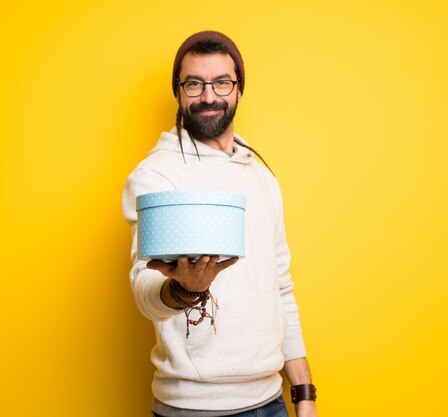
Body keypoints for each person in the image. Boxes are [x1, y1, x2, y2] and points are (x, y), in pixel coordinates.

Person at [122, 30, 318, 417]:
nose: (209, 96)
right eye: (194, 84)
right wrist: (182, 290)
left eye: (221, 82)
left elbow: (280, 285)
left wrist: (304, 392)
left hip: (271, 400)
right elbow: (144, 286)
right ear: (178, 92)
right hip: (194, 408)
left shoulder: (262, 177)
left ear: (239, 89)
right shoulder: (157, 176)